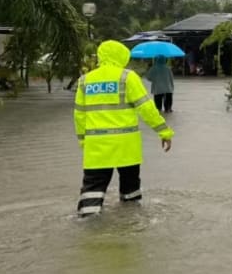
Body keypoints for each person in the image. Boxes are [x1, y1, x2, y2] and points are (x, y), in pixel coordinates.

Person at [73, 40, 174, 217]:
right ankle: (130, 224)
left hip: (96, 147)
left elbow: (79, 115)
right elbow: (146, 108)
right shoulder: (127, 77)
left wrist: (83, 140)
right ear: (122, 56)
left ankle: (88, 227)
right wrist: (164, 131)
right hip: (126, 146)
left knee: (92, 189)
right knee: (130, 191)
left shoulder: (84, 81)